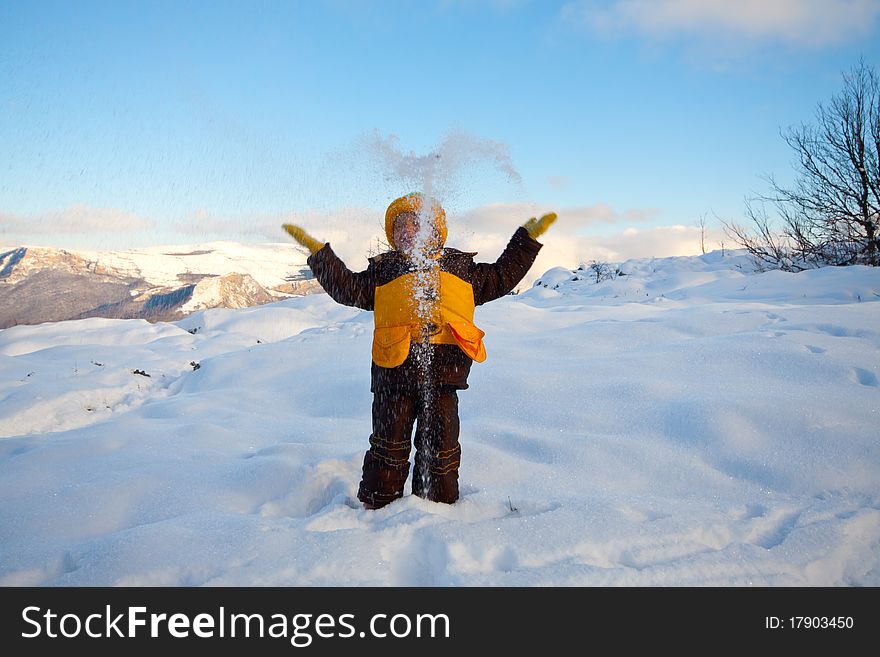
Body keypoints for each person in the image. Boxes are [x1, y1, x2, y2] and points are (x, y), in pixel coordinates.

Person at [283, 193, 556, 509]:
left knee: (441, 448)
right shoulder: (384, 271)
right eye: (401, 226)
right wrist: (320, 255)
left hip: (443, 379)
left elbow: (501, 276)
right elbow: (347, 287)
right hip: (393, 379)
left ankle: (437, 507)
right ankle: (377, 505)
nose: (410, 231)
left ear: (437, 232)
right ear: (392, 236)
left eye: (418, 223)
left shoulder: (461, 269)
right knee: (388, 447)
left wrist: (526, 241)